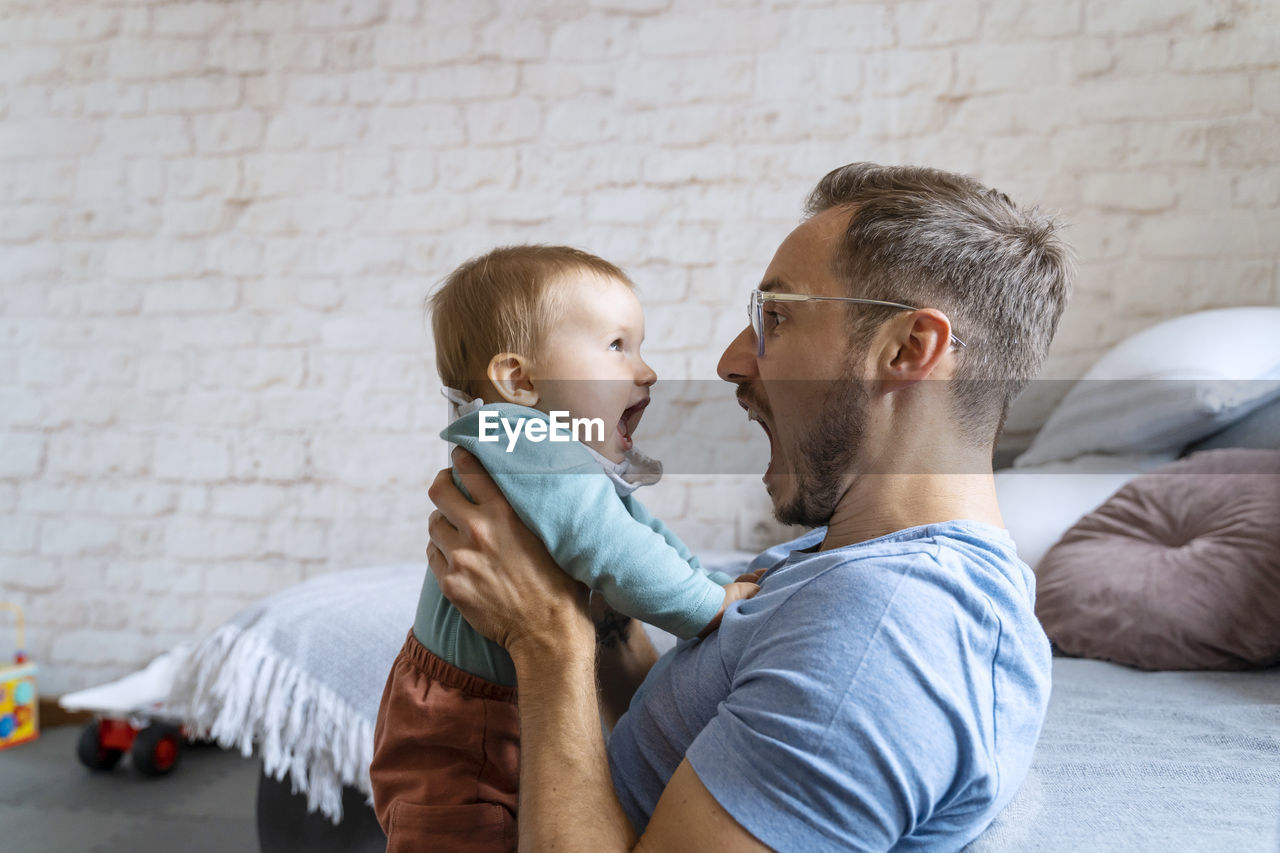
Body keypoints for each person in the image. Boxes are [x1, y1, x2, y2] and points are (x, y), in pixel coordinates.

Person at [424, 162, 1075, 851]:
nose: (732, 361)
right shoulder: (832, 561)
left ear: (908, 349)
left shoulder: (882, 632)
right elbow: (683, 738)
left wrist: (545, 637)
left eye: (778, 316)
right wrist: (589, 595)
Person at [369, 245, 760, 851]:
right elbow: (606, 547)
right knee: (464, 827)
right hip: (464, 716)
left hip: (491, 699)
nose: (647, 370)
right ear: (519, 381)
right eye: (617, 347)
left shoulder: (556, 452)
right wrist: (705, 605)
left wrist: (705, 581)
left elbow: (634, 533)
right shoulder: (522, 440)